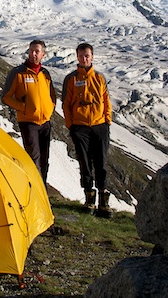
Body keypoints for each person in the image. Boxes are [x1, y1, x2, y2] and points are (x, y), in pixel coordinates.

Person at [62, 43, 113, 218]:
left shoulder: (99, 78)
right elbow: (66, 104)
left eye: (88, 55)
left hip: (100, 126)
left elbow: (106, 100)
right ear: (77, 57)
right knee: (84, 163)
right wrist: (71, 125)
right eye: (82, 55)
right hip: (80, 127)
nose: (85, 58)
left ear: (92, 57)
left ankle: (103, 201)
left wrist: (107, 121)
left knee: (101, 162)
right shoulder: (71, 79)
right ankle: (89, 198)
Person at [1, 40, 56, 184]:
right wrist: (24, 108)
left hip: (45, 122)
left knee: (44, 159)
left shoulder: (45, 74)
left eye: (37, 51)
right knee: (34, 158)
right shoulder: (18, 73)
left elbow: (52, 95)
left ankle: (42, 190)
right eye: (31, 50)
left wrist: (49, 109)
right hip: (28, 122)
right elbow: (6, 97)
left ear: (43, 54)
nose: (33, 54)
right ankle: (36, 190)